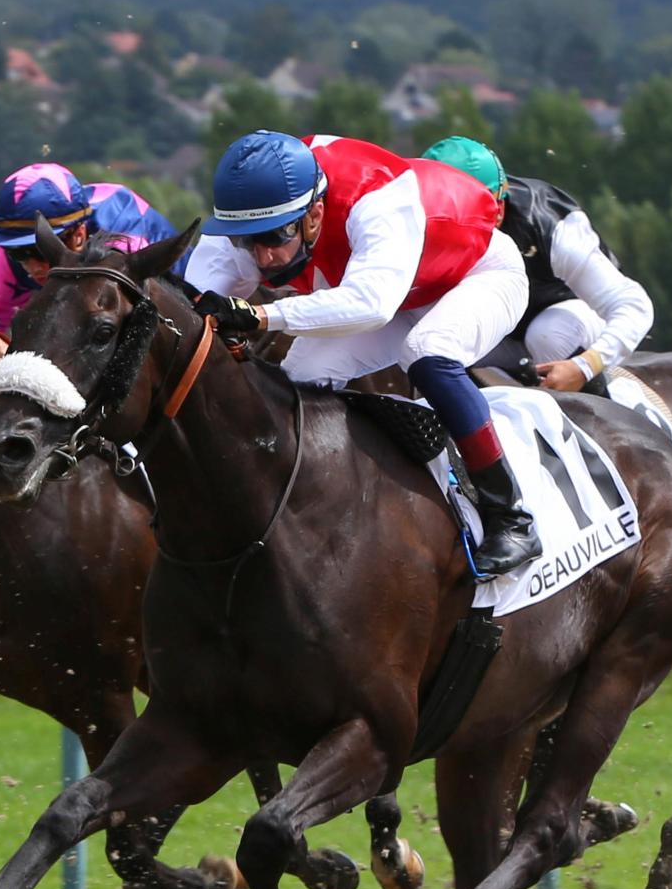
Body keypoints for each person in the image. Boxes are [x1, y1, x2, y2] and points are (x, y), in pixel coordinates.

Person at [183, 130, 539, 576]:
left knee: (426, 353)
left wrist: (259, 316)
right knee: (296, 378)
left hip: (476, 275)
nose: (264, 256)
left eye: (274, 237)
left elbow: (371, 305)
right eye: (245, 240)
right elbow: (195, 306)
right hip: (399, 289)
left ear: (314, 214)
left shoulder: (376, 198)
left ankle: (512, 517)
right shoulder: (251, 215)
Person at [421, 136, 654, 392]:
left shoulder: (549, 225)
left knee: (548, 334)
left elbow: (635, 306)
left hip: (569, 322)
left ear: (498, 205)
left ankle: (611, 419)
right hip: (499, 336)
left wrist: (585, 365)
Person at [0, 163, 182, 364]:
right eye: (18, 252)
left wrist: (15, 355)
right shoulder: (7, 259)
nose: (32, 266)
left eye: (40, 249)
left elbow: (111, 339)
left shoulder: (121, 233)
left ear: (79, 233)